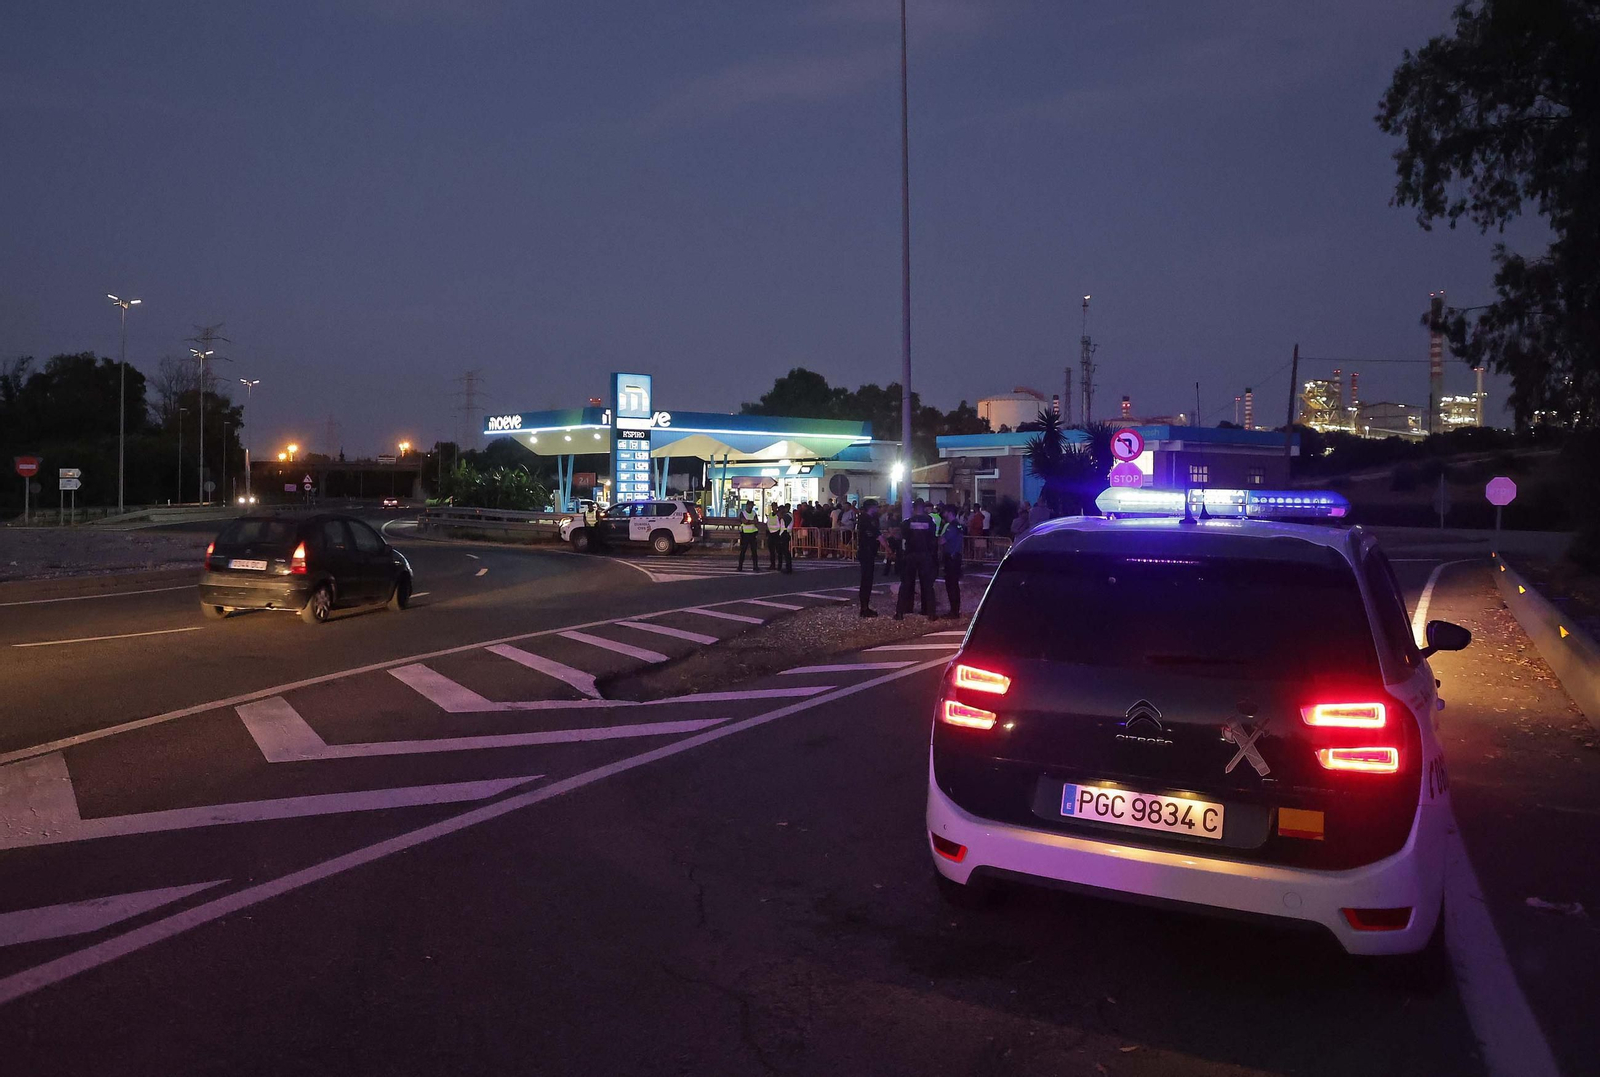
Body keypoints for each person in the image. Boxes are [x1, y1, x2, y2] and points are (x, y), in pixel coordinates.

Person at [895, 497, 938, 620]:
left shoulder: (908, 522)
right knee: (927, 585)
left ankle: (901, 612)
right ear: (923, 508)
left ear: (914, 509)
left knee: (906, 584)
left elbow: (901, 535)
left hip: (910, 555)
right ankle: (930, 612)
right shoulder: (930, 522)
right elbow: (933, 538)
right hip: (925, 555)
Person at [856, 499, 882, 617]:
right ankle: (864, 608)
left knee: (867, 580)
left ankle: (865, 606)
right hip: (866, 552)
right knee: (867, 580)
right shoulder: (867, 519)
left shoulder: (865, 518)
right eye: (876, 507)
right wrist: (888, 549)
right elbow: (877, 535)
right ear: (871, 507)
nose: (878, 509)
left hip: (867, 552)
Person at [939, 504, 965, 618]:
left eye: (944, 512)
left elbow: (942, 541)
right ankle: (954, 610)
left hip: (952, 558)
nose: (943, 514)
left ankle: (954, 612)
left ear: (949, 512)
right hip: (955, 557)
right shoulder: (957, 525)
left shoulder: (952, 526)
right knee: (953, 584)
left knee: (951, 585)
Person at [736, 499, 762, 571]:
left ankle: (755, 566)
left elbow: (756, 521)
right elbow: (744, 521)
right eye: (750, 505)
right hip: (745, 534)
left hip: (753, 533)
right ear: (747, 505)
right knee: (743, 551)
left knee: (754, 551)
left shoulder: (754, 513)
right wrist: (752, 521)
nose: (751, 507)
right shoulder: (743, 513)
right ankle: (740, 566)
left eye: (752, 506)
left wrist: (749, 521)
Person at [774, 504, 794, 573]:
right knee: (782, 551)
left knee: (785, 551)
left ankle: (788, 567)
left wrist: (780, 515)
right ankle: (783, 566)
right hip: (783, 533)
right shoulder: (785, 516)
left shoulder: (788, 516)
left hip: (785, 533)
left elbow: (784, 520)